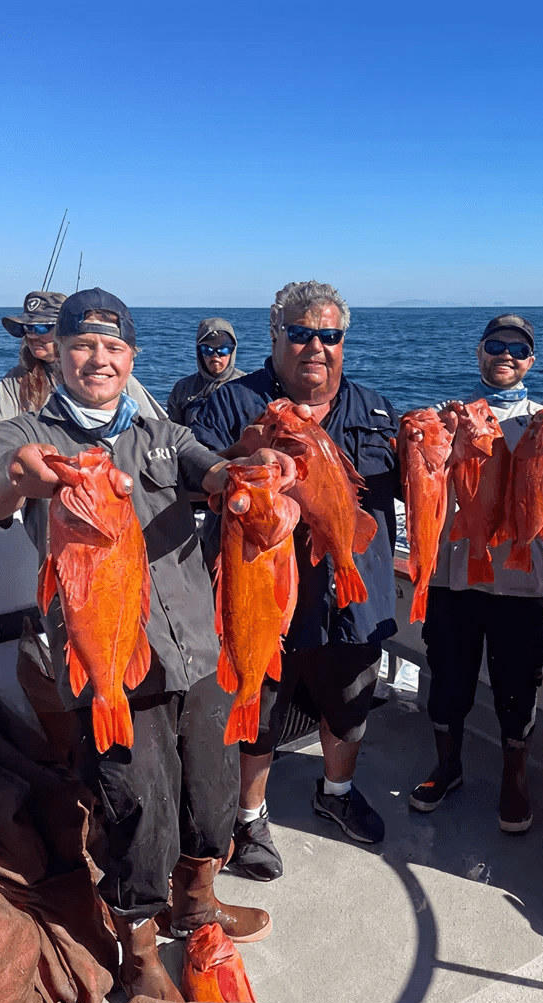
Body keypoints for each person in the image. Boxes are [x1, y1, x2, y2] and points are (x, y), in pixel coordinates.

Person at [0, 287, 286, 1002]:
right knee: (135, 804)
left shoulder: (161, 432)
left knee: (211, 792)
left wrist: (255, 475)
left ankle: (199, 905)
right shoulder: (21, 433)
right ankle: (140, 945)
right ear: (54, 351)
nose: (99, 359)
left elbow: (212, 471)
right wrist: (17, 478)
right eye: (83, 345)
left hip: (201, 651)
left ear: (132, 357)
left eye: (114, 348)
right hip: (108, 661)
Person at [193, 280, 400, 879]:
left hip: (352, 590)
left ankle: (334, 795)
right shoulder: (232, 402)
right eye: (302, 333)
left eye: (329, 335)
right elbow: (190, 475)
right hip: (262, 586)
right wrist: (243, 451)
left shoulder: (377, 408)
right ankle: (250, 816)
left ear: (343, 342)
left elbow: (411, 488)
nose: (316, 346)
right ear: (276, 335)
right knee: (256, 706)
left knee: (351, 704)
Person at [408, 314, 543, 834]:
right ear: (479, 353)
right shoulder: (447, 420)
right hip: (455, 578)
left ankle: (515, 779)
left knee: (518, 685)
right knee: (447, 680)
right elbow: (421, 485)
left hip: (519, 582)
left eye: (518, 348)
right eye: (496, 345)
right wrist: (430, 436)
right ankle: (448, 767)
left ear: (530, 361)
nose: (506, 354)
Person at [0, 289, 166, 428]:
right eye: (27, 329)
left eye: (42, 328)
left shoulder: (106, 375)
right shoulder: (16, 379)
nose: (32, 337)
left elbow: (155, 428)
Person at [167, 317, 245, 426]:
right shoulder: (182, 389)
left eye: (223, 349)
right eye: (207, 349)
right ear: (199, 352)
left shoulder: (247, 387)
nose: (215, 355)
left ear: (232, 351)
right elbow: (171, 429)